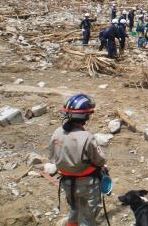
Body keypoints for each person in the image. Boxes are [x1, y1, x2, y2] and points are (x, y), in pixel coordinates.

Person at [49, 94, 106, 226]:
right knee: (88, 216)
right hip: (87, 184)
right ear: (85, 116)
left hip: (66, 183)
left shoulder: (57, 132)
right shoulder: (87, 137)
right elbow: (100, 160)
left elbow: (52, 155)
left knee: (74, 207)